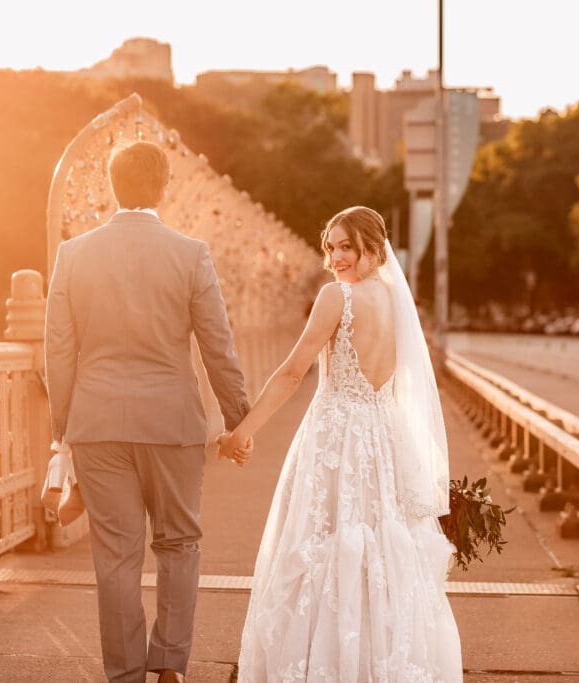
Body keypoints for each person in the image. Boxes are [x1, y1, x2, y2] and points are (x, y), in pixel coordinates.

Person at [219, 206, 463, 681]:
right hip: (382, 436)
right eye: (330, 247)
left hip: (335, 435)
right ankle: (379, 662)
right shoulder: (399, 304)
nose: (336, 257)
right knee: (381, 547)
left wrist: (242, 431)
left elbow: (292, 372)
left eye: (346, 246)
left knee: (323, 541)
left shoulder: (338, 298)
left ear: (373, 247)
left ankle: (327, 664)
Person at [45, 140, 253, 683]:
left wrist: (64, 429)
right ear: (164, 187)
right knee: (179, 543)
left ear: (113, 186)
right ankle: (170, 666)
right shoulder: (190, 254)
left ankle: (124, 674)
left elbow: (59, 351)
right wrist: (239, 419)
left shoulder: (74, 254)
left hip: (97, 423)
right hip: (172, 423)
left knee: (115, 556)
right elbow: (218, 346)